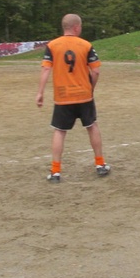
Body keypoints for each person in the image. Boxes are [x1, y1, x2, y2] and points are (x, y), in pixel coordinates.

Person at [36, 14, 111, 183]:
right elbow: (96, 71)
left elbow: (46, 69)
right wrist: (90, 88)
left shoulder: (52, 45)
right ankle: (100, 164)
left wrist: (40, 92)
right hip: (84, 95)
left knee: (59, 131)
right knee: (92, 126)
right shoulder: (86, 45)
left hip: (63, 96)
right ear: (76, 27)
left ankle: (55, 172)